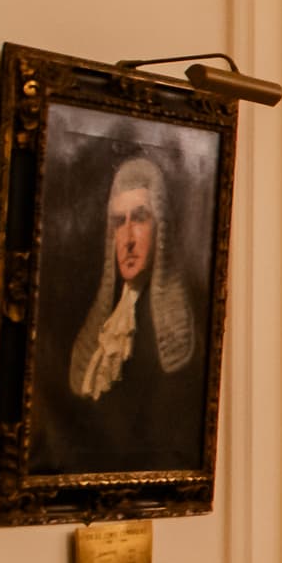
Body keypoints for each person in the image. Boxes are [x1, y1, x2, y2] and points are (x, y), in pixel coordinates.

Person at [43, 151, 203, 474]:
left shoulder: (176, 326)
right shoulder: (107, 320)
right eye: (119, 222)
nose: (128, 239)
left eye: (140, 218)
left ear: (161, 228)